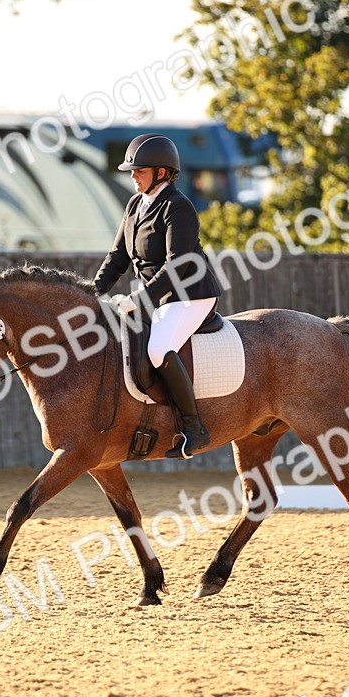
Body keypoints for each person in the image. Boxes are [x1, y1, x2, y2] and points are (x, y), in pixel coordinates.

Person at [93, 133, 223, 459]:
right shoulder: (135, 204)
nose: (132, 175)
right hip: (157, 296)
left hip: (189, 296)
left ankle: (194, 429)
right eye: (132, 171)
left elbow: (177, 266)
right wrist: (90, 293)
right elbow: (117, 257)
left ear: (161, 173)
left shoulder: (178, 207)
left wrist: (139, 299)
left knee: (158, 348)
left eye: (139, 170)